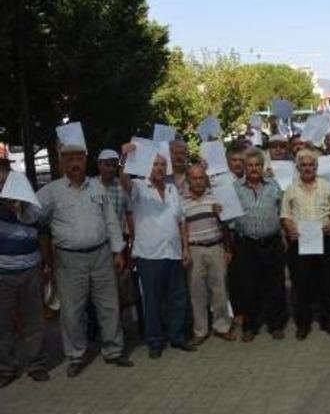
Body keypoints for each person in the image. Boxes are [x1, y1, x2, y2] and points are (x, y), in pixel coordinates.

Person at [38, 142, 132, 377]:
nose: (75, 164)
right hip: (69, 260)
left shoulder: (97, 188)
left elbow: (111, 221)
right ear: (61, 164)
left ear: (85, 161)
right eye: (69, 160)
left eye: (79, 159)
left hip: (101, 255)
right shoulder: (51, 192)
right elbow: (33, 216)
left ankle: (114, 350)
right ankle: (76, 355)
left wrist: (118, 251)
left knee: (109, 305)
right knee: (72, 310)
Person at [119, 146, 194, 358]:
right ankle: (155, 342)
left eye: (162, 165)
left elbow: (181, 220)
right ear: (146, 167)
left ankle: (177, 337)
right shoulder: (139, 187)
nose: (159, 168)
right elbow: (123, 179)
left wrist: (185, 247)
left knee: (178, 298)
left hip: (173, 252)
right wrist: (124, 157)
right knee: (151, 300)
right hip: (149, 255)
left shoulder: (172, 189)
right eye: (155, 165)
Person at [281, 149, 330, 340]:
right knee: (301, 284)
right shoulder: (290, 189)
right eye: (304, 165)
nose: (307, 168)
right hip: (300, 242)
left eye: (311, 165)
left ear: (316, 167)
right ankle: (303, 323)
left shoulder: (327, 186)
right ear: (298, 167)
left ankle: (327, 321)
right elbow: (285, 215)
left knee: (326, 283)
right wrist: (290, 228)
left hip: (324, 240)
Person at [0, 164, 49, 387]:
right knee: (3, 325)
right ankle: (6, 368)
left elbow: (42, 236)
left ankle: (36, 364)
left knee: (34, 321)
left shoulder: (33, 211)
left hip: (31, 271)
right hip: (3, 275)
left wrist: (47, 265)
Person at [231, 148, 287, 342]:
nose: (254, 169)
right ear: (244, 168)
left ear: (263, 167)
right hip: (246, 243)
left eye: (257, 165)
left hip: (271, 242)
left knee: (275, 284)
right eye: (250, 165)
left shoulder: (274, 186)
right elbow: (228, 218)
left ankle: (276, 324)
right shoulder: (235, 188)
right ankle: (250, 326)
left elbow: (283, 211)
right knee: (248, 286)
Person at [182, 165, 235, 345]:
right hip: (194, 249)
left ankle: (222, 326)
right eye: (194, 178)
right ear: (188, 180)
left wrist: (228, 249)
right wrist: (185, 250)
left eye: (201, 178)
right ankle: (200, 330)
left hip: (216, 246)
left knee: (220, 288)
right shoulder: (182, 202)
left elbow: (226, 226)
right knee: (197, 292)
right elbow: (181, 229)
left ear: (205, 179)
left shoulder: (216, 198)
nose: (198, 181)